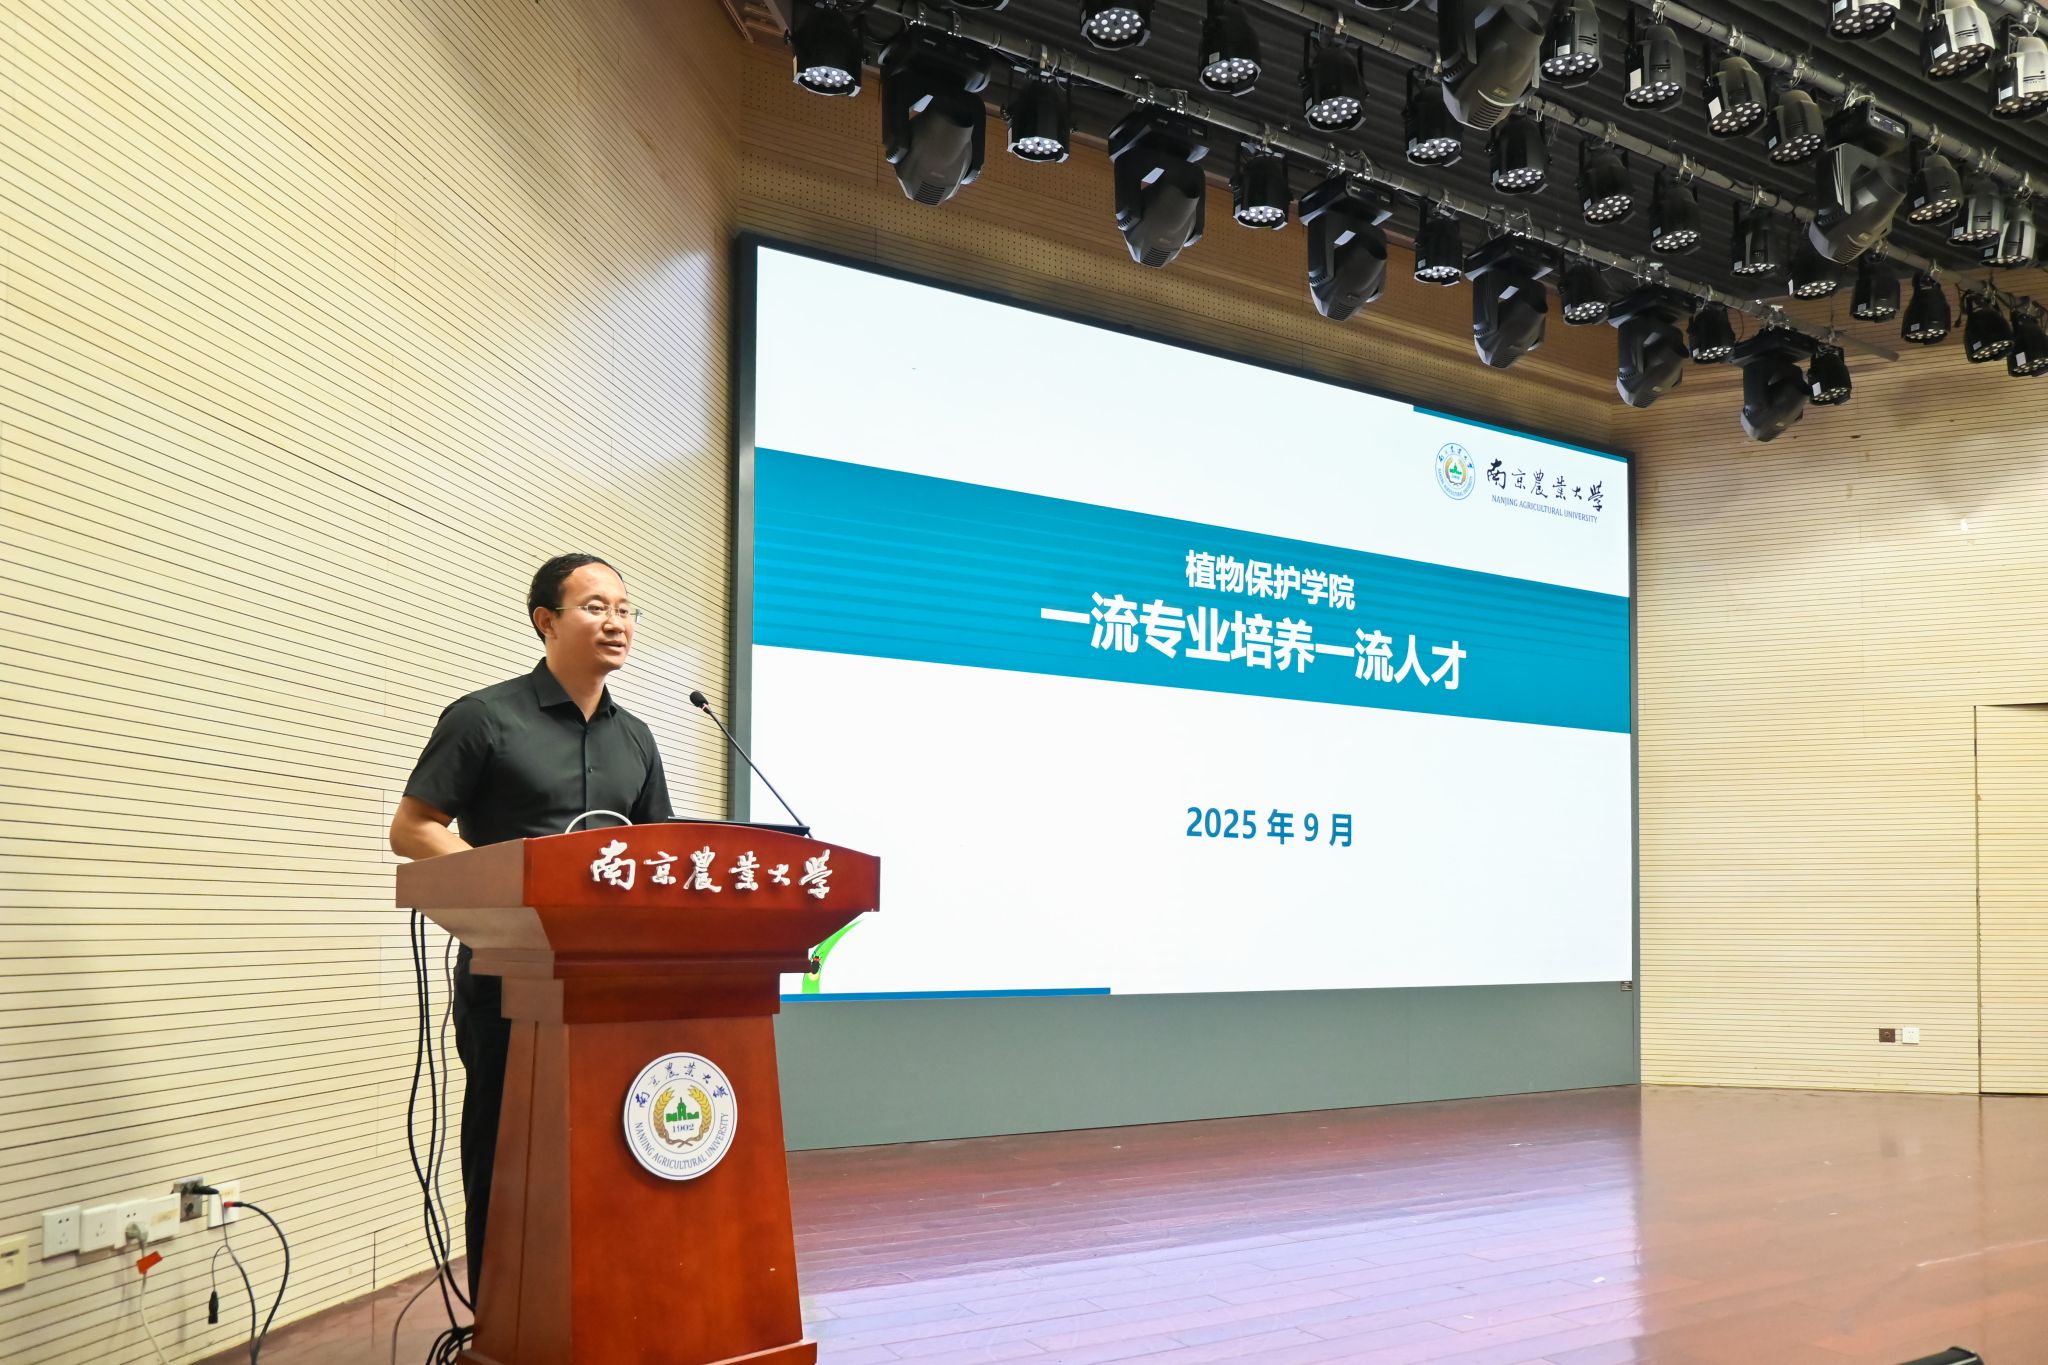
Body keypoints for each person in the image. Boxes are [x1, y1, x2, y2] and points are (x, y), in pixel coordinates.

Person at [389, 554, 673, 1300]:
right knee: (508, 1153)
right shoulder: (485, 717)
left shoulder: (637, 737)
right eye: (595, 607)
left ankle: (599, 1311)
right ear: (546, 621)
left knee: (614, 1145)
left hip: (613, 984)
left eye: (625, 609)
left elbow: (658, 855)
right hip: (509, 974)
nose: (616, 622)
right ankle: (504, 1323)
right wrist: (516, 887)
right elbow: (413, 828)